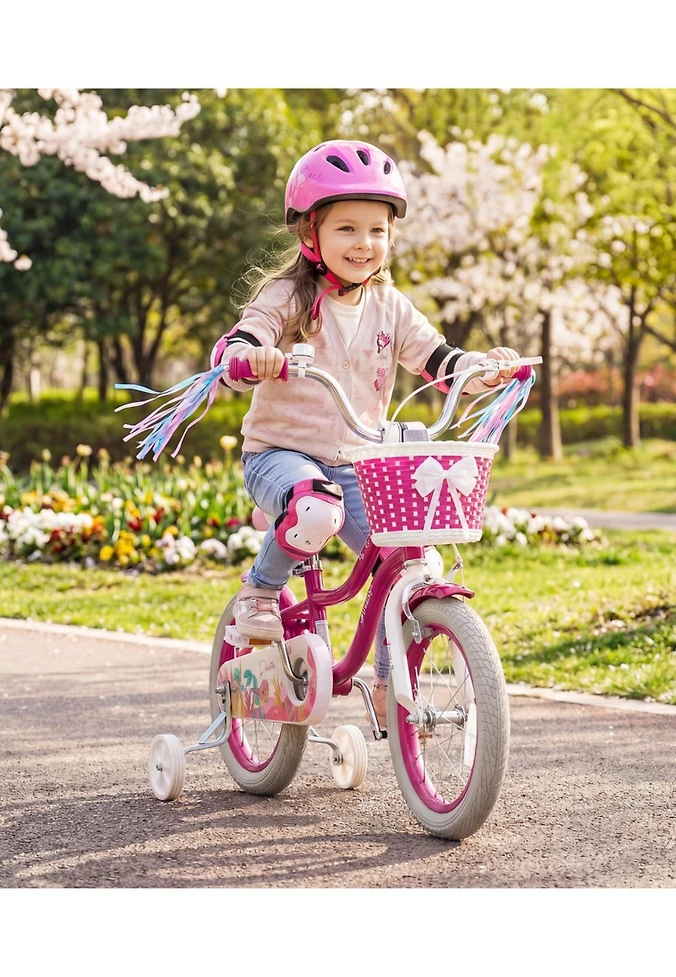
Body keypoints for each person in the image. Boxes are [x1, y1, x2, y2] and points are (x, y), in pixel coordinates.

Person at [211, 139, 519, 728]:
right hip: (281, 455)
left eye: (376, 230)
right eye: (347, 228)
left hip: (356, 460)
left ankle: (386, 680)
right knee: (316, 510)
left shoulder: (391, 307)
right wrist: (251, 355)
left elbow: (437, 358)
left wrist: (482, 370)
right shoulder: (287, 296)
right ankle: (260, 589)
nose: (363, 244)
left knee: (400, 561)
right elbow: (247, 335)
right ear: (310, 233)